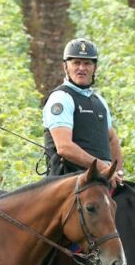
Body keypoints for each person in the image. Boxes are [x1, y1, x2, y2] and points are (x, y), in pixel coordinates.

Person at [42, 38, 124, 186]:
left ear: (95, 68)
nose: (82, 68)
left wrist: (116, 173)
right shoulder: (61, 98)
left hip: (100, 181)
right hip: (69, 184)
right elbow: (64, 147)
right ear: (65, 67)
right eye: (76, 63)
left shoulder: (99, 101)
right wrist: (104, 168)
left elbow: (112, 140)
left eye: (87, 63)